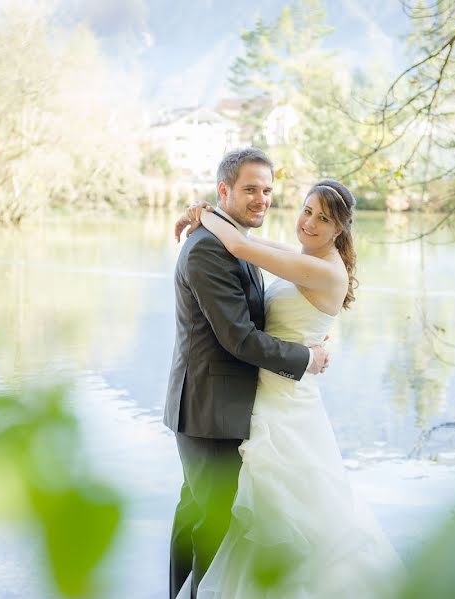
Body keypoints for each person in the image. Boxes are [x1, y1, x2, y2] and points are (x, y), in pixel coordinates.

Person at [174, 179, 403, 598]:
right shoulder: (307, 257)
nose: (309, 223)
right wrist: (209, 214)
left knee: (285, 517)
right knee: (253, 515)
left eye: (323, 219)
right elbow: (247, 240)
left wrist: (202, 214)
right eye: (307, 210)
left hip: (283, 407)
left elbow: (242, 248)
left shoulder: (321, 268)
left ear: (340, 230)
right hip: (268, 394)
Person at [164, 148, 331, 599]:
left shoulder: (234, 238)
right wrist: (305, 360)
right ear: (225, 191)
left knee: (198, 515)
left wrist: (206, 214)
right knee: (209, 522)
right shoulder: (207, 252)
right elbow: (238, 338)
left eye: (268, 190)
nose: (262, 199)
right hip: (210, 410)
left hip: (227, 407)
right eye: (250, 189)